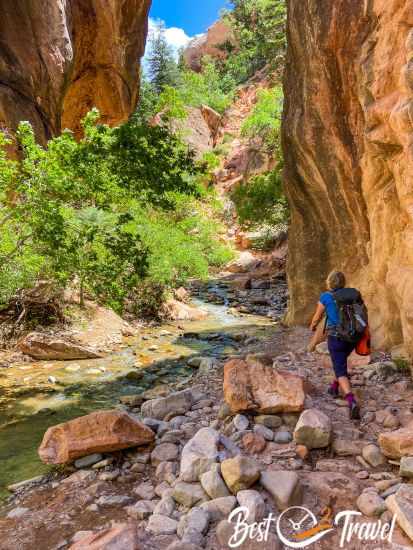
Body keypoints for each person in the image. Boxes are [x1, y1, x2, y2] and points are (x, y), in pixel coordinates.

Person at [310, 270, 361, 420]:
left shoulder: (326, 296)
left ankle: (351, 401)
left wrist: (313, 326)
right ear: (343, 282)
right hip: (353, 336)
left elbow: (317, 317)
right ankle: (333, 387)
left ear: (329, 282)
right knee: (339, 362)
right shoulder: (353, 294)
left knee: (340, 370)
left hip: (336, 337)